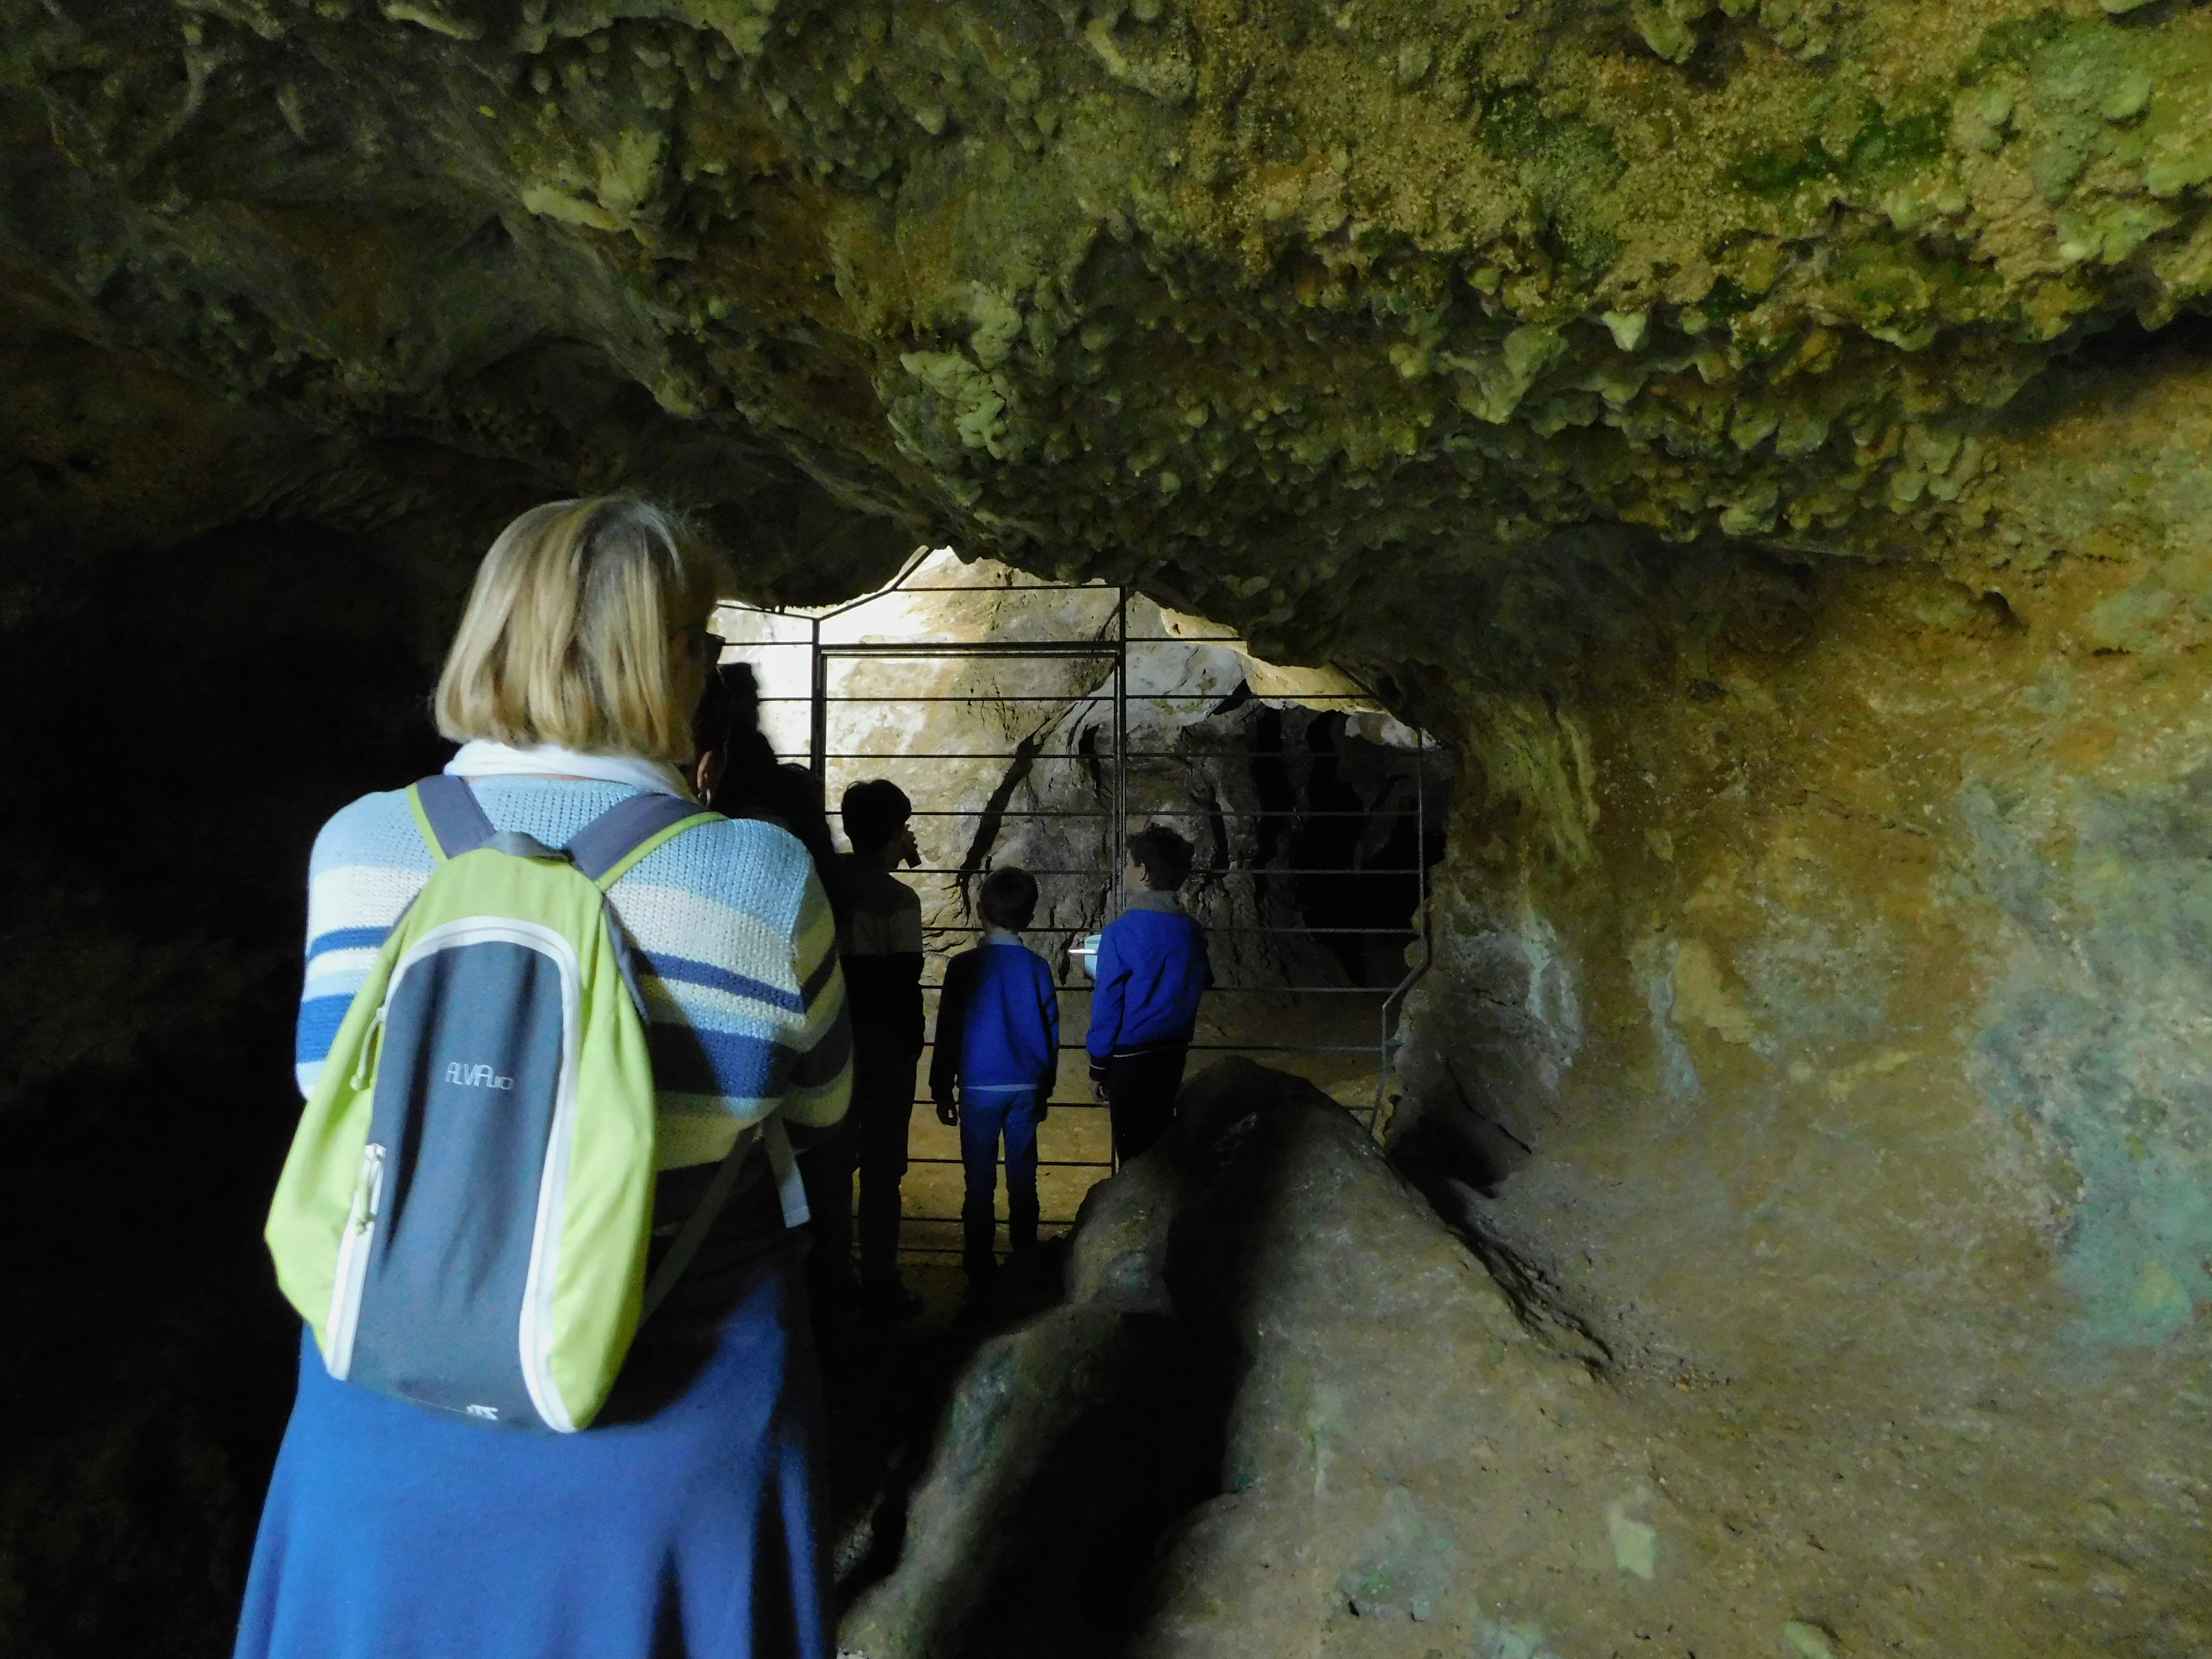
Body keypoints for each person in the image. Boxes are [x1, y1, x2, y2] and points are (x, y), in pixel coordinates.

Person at [238, 496, 852, 1659]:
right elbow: (821, 1109)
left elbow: (332, 1090)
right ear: (670, 657)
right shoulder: (756, 876)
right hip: (668, 1424)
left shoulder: (359, 844)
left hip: (386, 1413)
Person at [929, 867, 1059, 1284]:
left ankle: (979, 1262)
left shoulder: (963, 966)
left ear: (980, 911)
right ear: (1030, 917)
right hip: (1026, 1085)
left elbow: (949, 1029)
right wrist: (1046, 1083)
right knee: (1023, 1174)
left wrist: (940, 1086)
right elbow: (1051, 1029)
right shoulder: (1037, 968)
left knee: (979, 1177)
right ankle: (1025, 1257)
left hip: (978, 1086)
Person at [832, 778, 927, 1321]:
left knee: (832, 1161)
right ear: (895, 833)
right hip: (884, 1044)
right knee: (883, 1165)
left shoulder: (829, 886)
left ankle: (831, 1271)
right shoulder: (899, 900)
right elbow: (904, 976)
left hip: (834, 1039)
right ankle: (881, 1276)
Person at [1087, 823, 1212, 1162]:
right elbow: (1201, 978)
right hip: (1173, 1051)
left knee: (1132, 1150)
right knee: (1160, 1141)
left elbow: (1108, 1003)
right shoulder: (1191, 931)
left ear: (1143, 873)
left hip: (1130, 1057)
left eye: (1129, 863)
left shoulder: (1120, 932)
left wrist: (1099, 1065)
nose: (1125, 870)